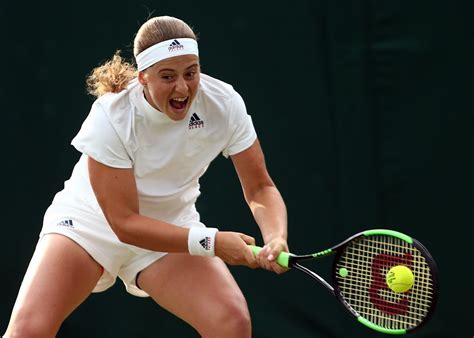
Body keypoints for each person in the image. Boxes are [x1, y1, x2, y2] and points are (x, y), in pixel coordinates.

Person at [3, 15, 288, 338]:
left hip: (171, 227)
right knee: (28, 332)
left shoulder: (224, 103)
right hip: (89, 225)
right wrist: (211, 242)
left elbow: (261, 187)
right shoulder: (112, 117)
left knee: (231, 322)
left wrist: (276, 234)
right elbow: (123, 223)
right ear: (142, 78)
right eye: (167, 76)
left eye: (191, 73)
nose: (183, 87)